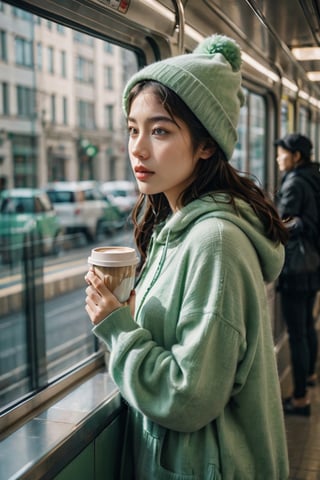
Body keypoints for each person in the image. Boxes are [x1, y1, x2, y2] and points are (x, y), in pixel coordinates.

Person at [85, 34, 289, 479]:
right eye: (133, 129)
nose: (138, 148)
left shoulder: (214, 242)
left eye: (160, 130)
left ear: (206, 144)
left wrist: (116, 328)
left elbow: (189, 396)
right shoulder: (173, 227)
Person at [275, 133, 320, 416]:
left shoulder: (294, 182)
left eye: (282, 153)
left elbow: (282, 224)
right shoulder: (315, 176)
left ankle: (300, 397)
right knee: (308, 323)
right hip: (314, 261)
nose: (279, 158)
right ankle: (311, 375)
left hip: (296, 267)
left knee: (297, 333)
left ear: (296, 156)